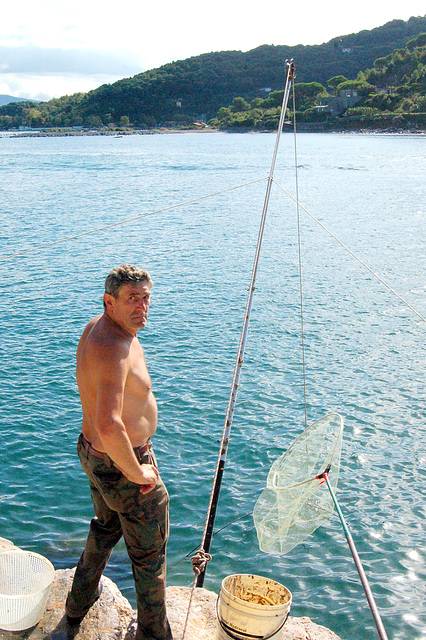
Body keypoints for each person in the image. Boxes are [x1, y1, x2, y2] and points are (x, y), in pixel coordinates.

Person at [66, 264, 173, 640]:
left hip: (94, 455)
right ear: (110, 301)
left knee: (106, 526)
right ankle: (153, 634)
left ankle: (76, 605)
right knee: (150, 558)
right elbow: (110, 423)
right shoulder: (113, 346)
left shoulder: (102, 328)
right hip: (122, 461)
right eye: (132, 299)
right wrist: (138, 472)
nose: (142, 306)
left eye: (146, 297)